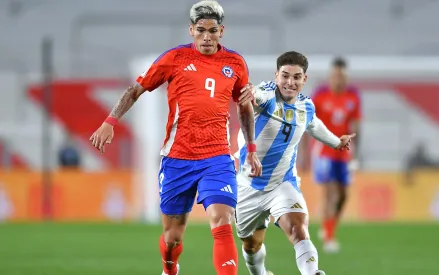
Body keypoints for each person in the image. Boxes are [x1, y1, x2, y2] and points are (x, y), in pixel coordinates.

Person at [89, 1, 262, 275]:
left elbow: (244, 106)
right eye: (201, 30)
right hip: (177, 158)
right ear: (191, 30)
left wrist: (251, 148)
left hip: (216, 157)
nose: (207, 36)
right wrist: (110, 121)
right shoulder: (175, 58)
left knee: (221, 219)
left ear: (222, 31)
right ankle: (170, 268)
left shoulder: (235, 63)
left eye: (213, 31)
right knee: (172, 237)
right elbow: (136, 89)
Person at [234, 51, 355, 275]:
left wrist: (337, 142)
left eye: (297, 77)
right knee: (252, 245)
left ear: (304, 79)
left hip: (283, 183)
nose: (290, 82)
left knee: (298, 229)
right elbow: (257, 96)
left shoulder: (306, 107)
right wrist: (251, 92)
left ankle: (312, 272)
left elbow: (314, 125)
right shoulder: (267, 96)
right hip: (247, 186)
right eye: (285, 76)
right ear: (276, 75)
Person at [310, 57, 362, 253]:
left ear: (346, 77)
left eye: (341, 76)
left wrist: (356, 154)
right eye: (335, 76)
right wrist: (305, 154)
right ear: (330, 77)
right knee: (331, 194)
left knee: (343, 196)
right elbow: (309, 122)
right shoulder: (321, 95)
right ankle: (329, 238)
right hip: (324, 151)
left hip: (344, 153)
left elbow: (356, 126)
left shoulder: (353, 97)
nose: (338, 80)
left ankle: (328, 225)